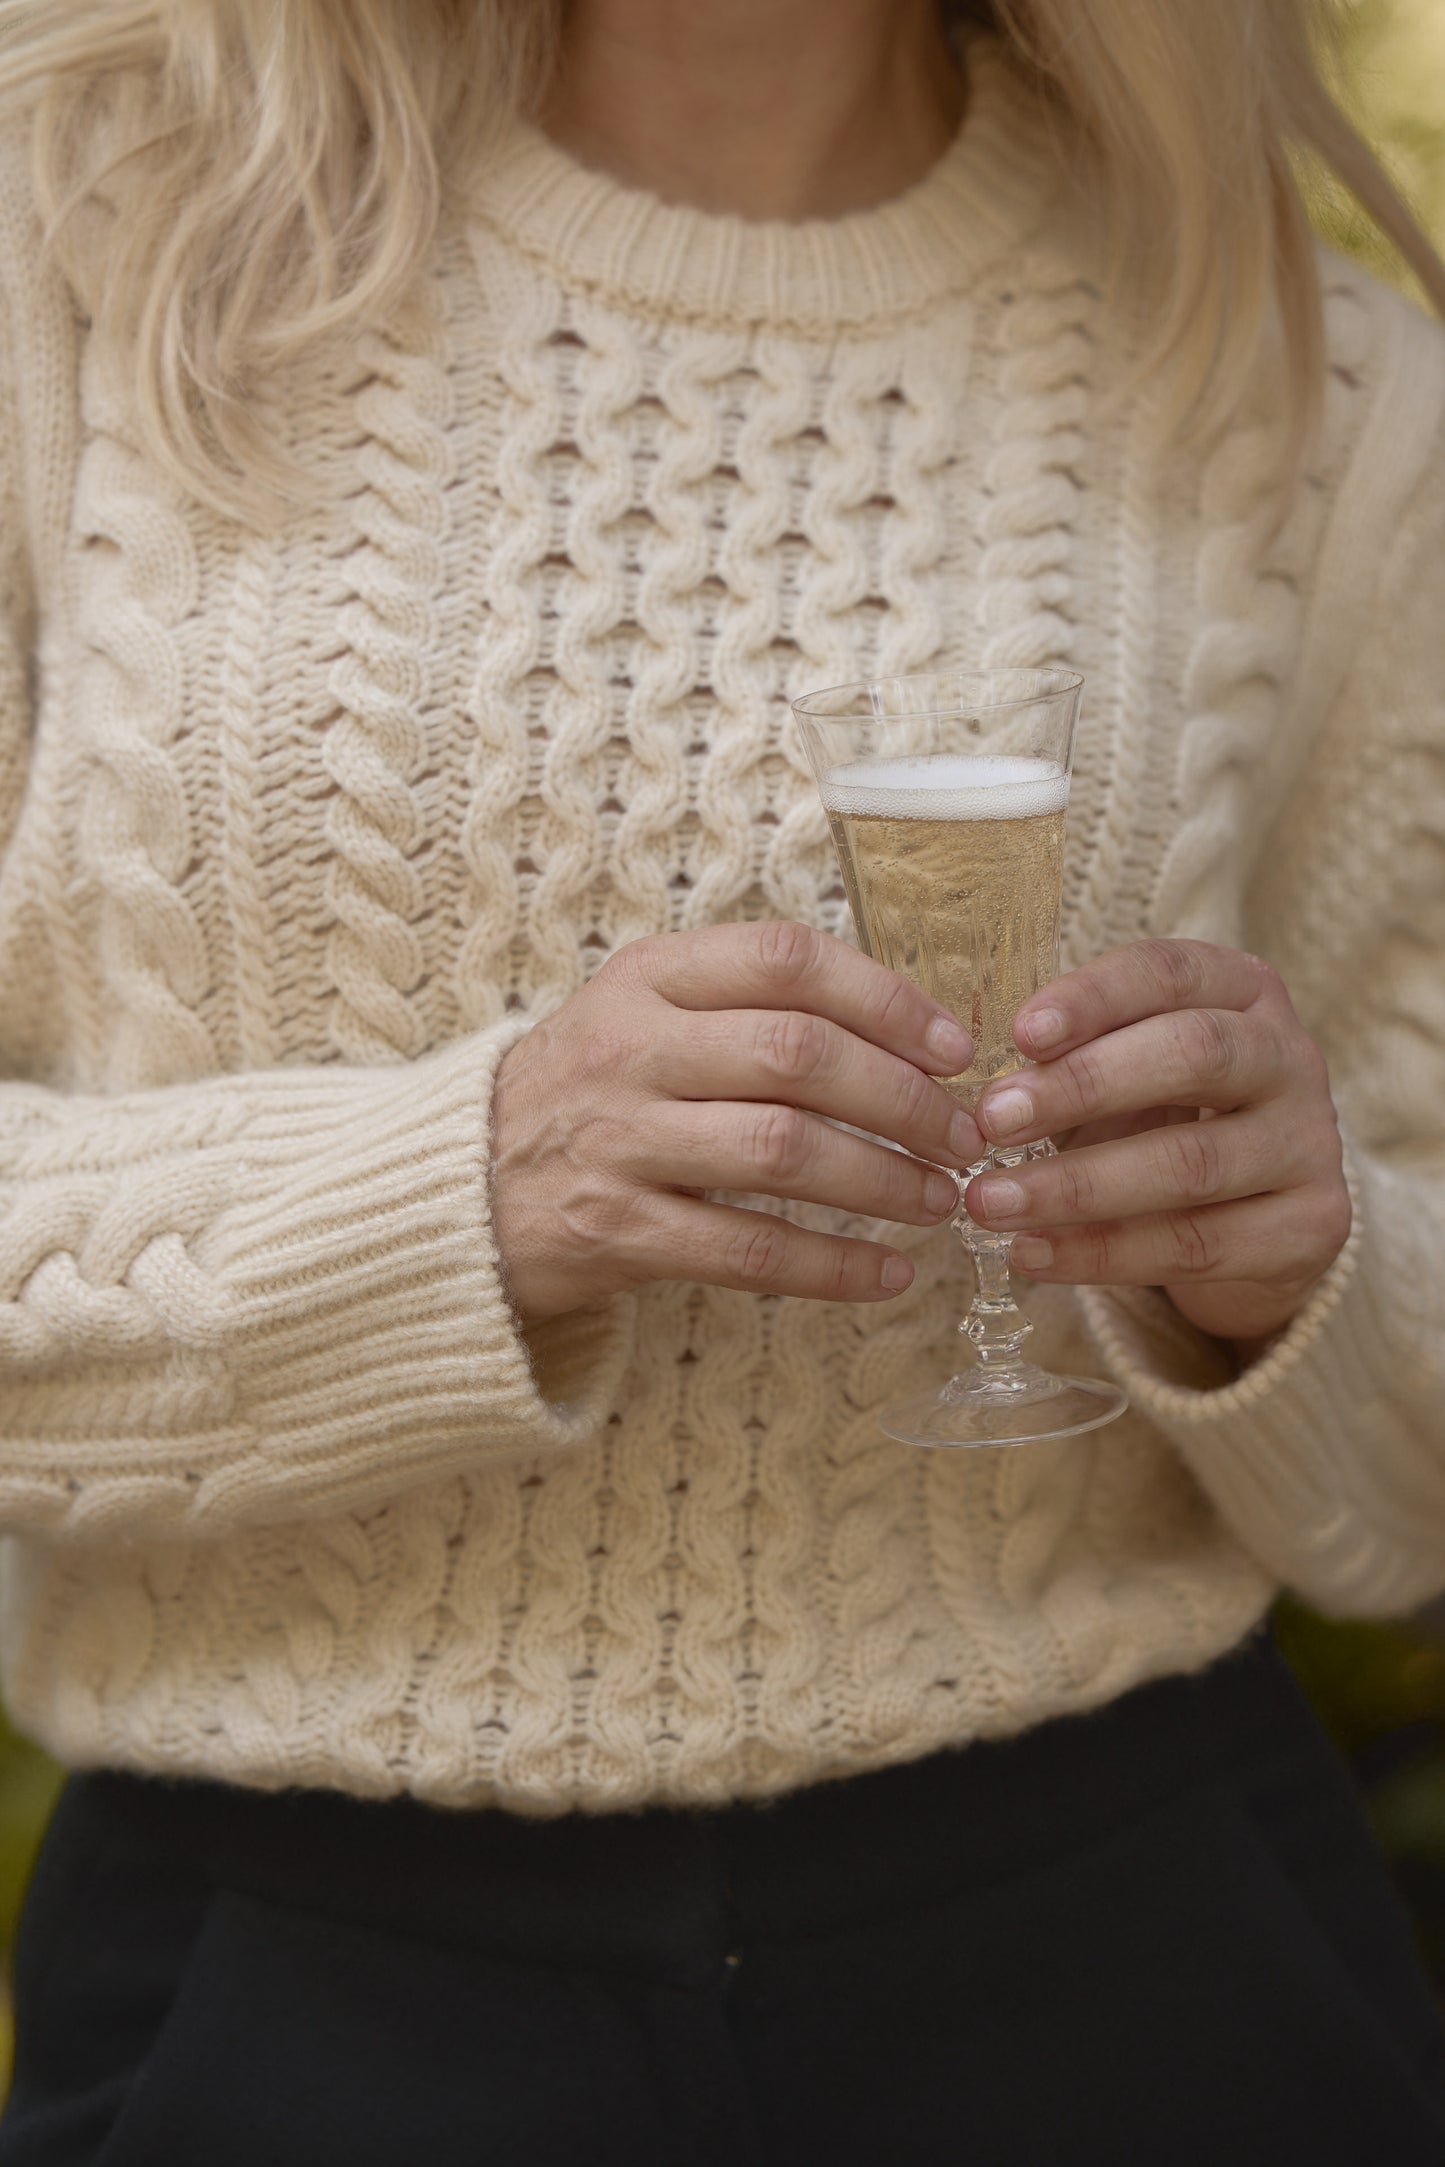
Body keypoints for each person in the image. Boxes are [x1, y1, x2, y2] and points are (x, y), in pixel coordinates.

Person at [0, 0, 1441, 2159]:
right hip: (288, 1993)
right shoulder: (85, 231)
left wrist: (1297, 1263)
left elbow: (1407, 1480)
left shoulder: (1310, 374)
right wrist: (451, 1196)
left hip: (1136, 1961)